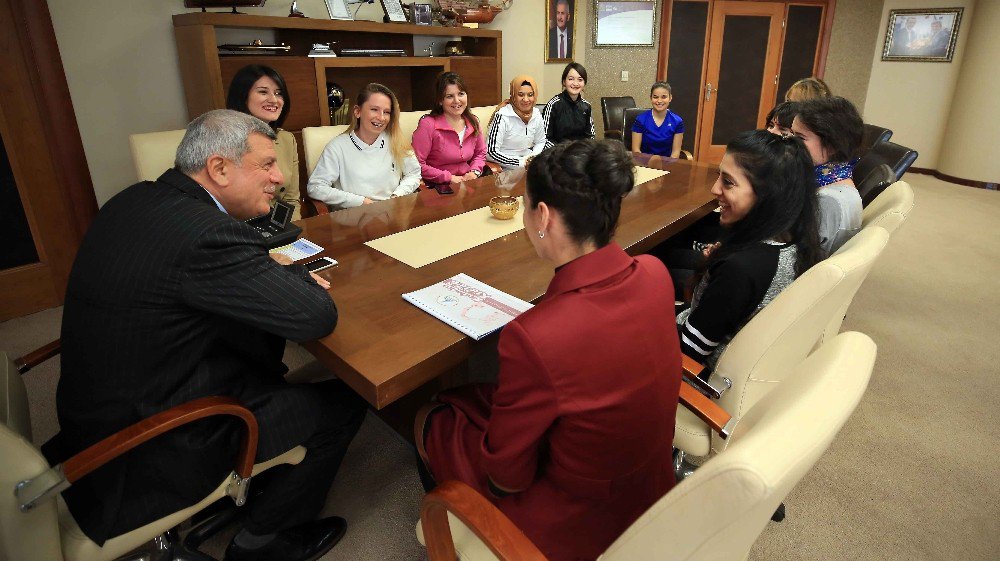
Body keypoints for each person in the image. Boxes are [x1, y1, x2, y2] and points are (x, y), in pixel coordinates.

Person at [43, 109, 367, 561]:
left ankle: (255, 487)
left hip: (98, 411)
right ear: (218, 168)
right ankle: (263, 542)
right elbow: (316, 317)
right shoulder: (207, 235)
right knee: (345, 402)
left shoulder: (137, 198)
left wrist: (262, 270)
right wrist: (289, 275)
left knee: (265, 359)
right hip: (145, 444)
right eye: (267, 164)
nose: (279, 177)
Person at [416, 139, 682, 561]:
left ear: (542, 216)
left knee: (434, 418)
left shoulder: (536, 334)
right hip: (652, 486)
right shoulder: (654, 273)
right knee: (482, 400)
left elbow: (508, 478)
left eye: (525, 206)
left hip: (580, 522)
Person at [677, 130, 822, 369]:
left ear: (768, 194)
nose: (714, 189)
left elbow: (690, 351)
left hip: (700, 376)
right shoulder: (797, 239)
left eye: (728, 182)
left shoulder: (740, 269)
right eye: (718, 176)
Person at [306, 83, 421, 209]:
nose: (381, 117)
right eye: (374, 109)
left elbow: (414, 173)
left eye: (386, 112)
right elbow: (315, 187)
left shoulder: (396, 140)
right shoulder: (337, 147)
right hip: (353, 217)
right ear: (357, 112)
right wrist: (361, 201)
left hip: (393, 213)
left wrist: (397, 196)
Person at [227, 64, 302, 220]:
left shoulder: (287, 139)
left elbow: (291, 200)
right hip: (238, 229)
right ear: (243, 96)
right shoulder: (224, 140)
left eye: (278, 93)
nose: (274, 100)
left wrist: (291, 232)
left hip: (277, 227)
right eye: (263, 92)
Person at [791, 96, 864, 255]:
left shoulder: (826, 202)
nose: (789, 142)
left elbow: (792, 259)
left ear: (831, 146)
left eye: (799, 137)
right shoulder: (834, 179)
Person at [411, 72, 488, 187]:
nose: (457, 101)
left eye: (461, 94)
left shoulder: (473, 121)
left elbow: (480, 153)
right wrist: (448, 177)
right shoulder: (428, 124)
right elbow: (416, 164)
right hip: (438, 186)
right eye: (449, 96)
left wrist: (474, 172)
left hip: (468, 182)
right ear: (440, 101)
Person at [485, 74, 546, 170]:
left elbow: (541, 141)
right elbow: (490, 152)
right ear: (513, 95)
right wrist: (520, 163)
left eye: (530, 95)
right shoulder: (502, 116)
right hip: (505, 167)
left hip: (529, 164)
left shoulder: (536, 114)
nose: (526, 99)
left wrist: (532, 158)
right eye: (520, 94)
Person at [542, 62, 595, 148]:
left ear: (584, 83)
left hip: (580, 154)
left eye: (580, 79)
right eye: (571, 79)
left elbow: (590, 136)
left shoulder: (586, 106)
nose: (575, 83)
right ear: (564, 82)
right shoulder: (553, 104)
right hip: (557, 154)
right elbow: (544, 138)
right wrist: (562, 152)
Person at [631, 81, 684, 157]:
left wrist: (665, 167)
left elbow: (675, 153)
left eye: (664, 97)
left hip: (667, 165)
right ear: (651, 98)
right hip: (644, 164)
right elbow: (636, 151)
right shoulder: (640, 120)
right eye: (655, 97)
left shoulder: (677, 121)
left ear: (670, 98)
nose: (659, 101)